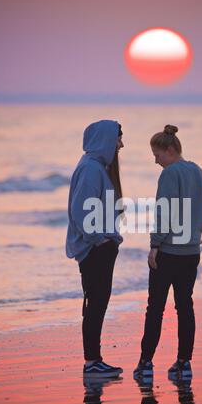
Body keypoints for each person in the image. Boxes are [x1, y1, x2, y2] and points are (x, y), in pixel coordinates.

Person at [134, 124, 202, 379]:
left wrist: (155, 245)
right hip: (192, 251)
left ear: (169, 150)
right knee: (185, 306)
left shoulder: (169, 174)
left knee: (155, 308)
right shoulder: (198, 171)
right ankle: (184, 364)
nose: (156, 161)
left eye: (157, 155)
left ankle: (145, 364)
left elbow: (164, 212)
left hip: (169, 252)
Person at [66, 120, 124, 378]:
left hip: (100, 247)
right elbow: (81, 211)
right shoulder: (91, 169)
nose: (121, 144)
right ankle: (92, 363)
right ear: (105, 140)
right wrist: (98, 238)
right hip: (95, 249)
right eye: (118, 139)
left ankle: (95, 361)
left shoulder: (96, 167)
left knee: (97, 304)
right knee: (95, 305)